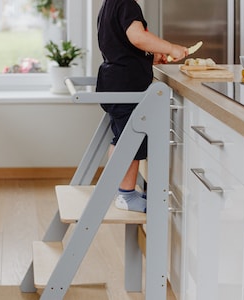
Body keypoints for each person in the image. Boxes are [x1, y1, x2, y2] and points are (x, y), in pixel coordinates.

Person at [96, 0, 188, 213]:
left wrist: (151, 54)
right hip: (125, 85)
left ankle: (120, 190)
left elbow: (121, 43)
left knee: (122, 138)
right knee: (131, 140)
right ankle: (125, 194)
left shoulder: (111, 4)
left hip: (115, 82)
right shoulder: (127, 4)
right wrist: (170, 47)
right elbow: (137, 37)